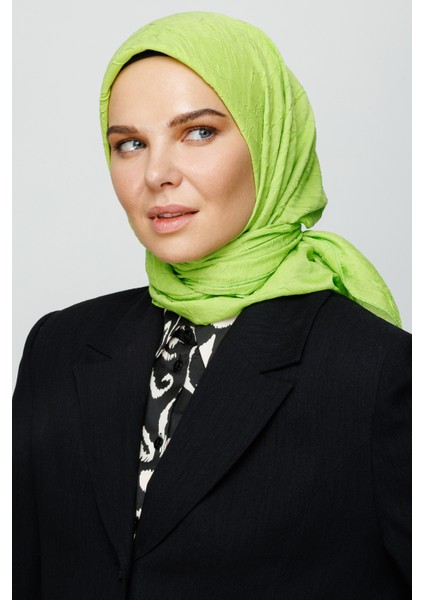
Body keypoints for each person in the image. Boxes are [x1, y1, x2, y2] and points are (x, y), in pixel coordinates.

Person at [13, 11, 411, 600]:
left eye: (198, 132)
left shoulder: (376, 370)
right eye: (130, 144)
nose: (156, 174)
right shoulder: (59, 345)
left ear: (270, 141)